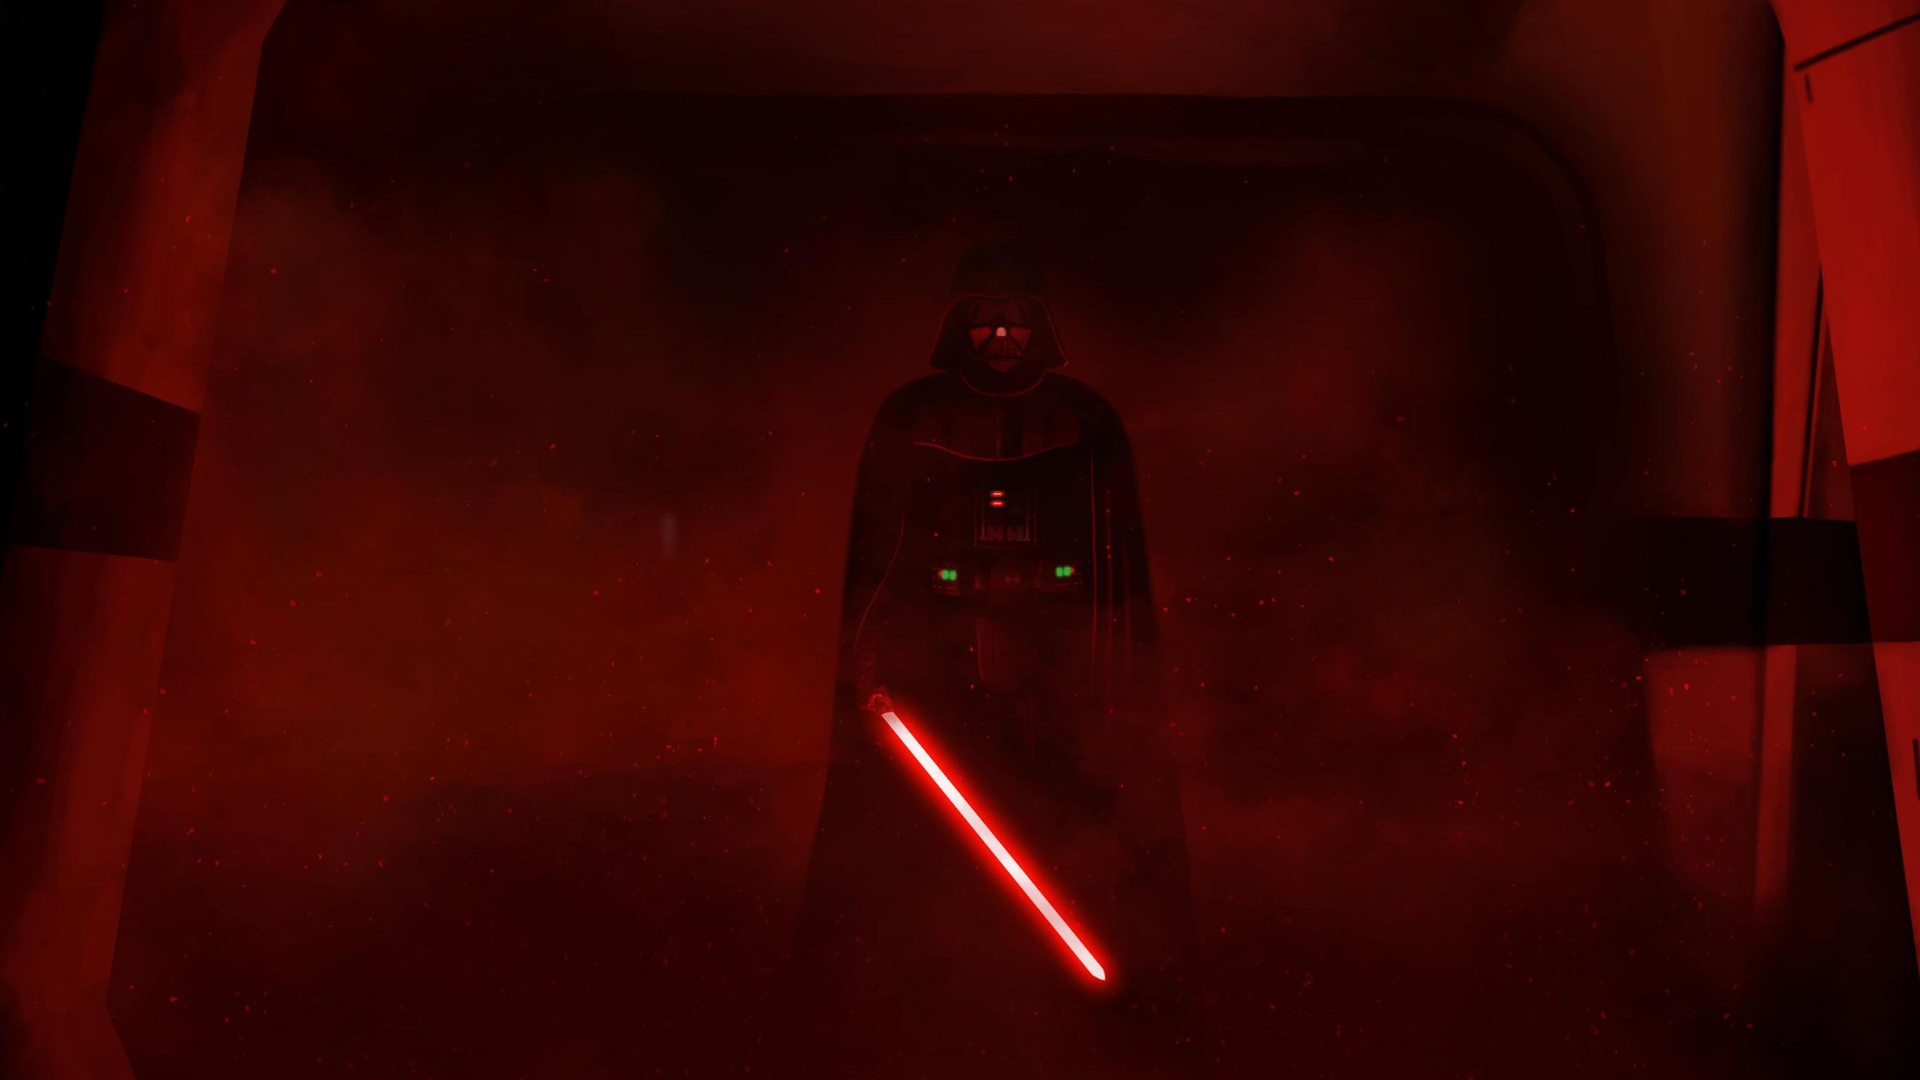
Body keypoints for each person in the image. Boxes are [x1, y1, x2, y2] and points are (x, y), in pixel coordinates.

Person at [770, 242, 1199, 1078]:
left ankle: (1075, 1021)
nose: (1000, 337)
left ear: (1042, 326)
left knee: (1063, 836)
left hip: (1064, 676)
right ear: (955, 327)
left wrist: (1110, 689)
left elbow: (1116, 570)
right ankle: (924, 1010)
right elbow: (880, 555)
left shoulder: (1085, 419)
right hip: (934, 677)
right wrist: (872, 669)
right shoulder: (910, 416)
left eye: (1015, 320)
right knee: (929, 850)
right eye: (983, 321)